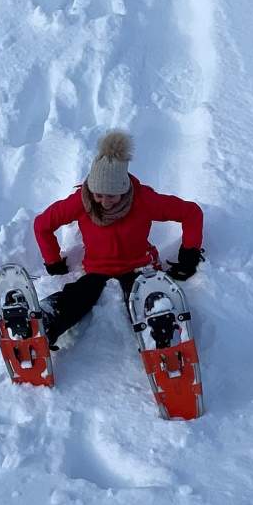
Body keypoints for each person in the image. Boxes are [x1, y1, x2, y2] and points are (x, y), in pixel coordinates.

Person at [33, 129, 204, 348]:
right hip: (97, 270)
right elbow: (42, 225)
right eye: (99, 195)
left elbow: (191, 213)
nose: (104, 202)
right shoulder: (81, 202)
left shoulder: (143, 200)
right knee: (77, 297)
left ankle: (162, 326)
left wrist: (189, 254)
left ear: (124, 189)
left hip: (138, 267)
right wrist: (53, 262)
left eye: (112, 195)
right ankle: (45, 319)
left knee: (146, 294)